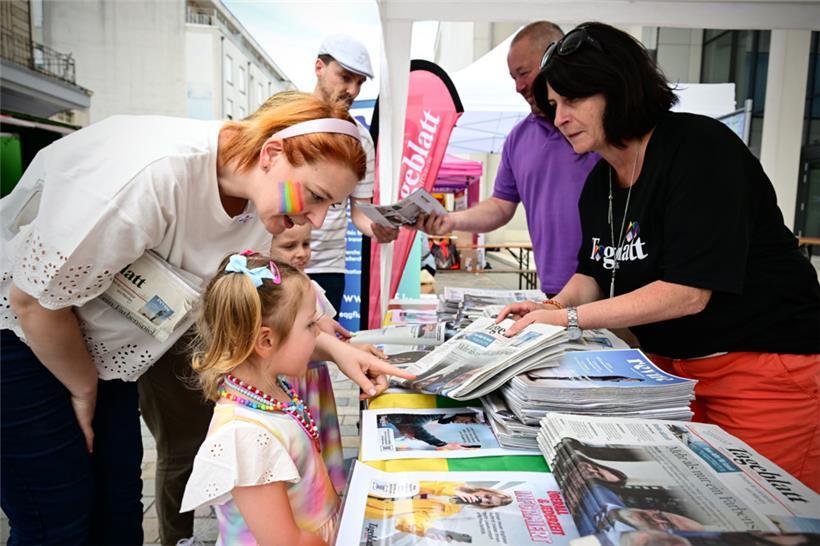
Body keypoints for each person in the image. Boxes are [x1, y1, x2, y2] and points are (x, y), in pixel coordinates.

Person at [0, 91, 411, 545]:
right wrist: (83, 388)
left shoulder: (259, 204)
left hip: (98, 356)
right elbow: (32, 300)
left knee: (118, 511)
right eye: (315, 196)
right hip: (25, 339)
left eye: (329, 206)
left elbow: (257, 312)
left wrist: (338, 350)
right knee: (56, 521)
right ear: (272, 153)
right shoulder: (151, 177)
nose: (313, 220)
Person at [500, 22, 820, 491]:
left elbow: (688, 293)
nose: (561, 117)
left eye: (573, 100)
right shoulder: (601, 182)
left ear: (617, 90)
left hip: (762, 369)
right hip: (671, 374)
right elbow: (593, 273)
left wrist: (568, 319)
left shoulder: (698, 148)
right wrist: (549, 307)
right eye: (555, 104)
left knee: (769, 509)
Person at [415, 21, 600, 295]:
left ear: (554, 60)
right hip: (553, 288)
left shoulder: (599, 126)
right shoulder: (518, 138)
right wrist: (451, 220)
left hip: (609, 287)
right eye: (513, 78)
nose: (518, 87)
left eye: (523, 73)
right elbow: (501, 206)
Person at [180, 253, 339, 545]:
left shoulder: (272, 390)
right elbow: (285, 542)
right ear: (266, 341)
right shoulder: (246, 437)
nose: (318, 332)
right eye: (309, 325)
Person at [270, 221, 386, 492]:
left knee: (317, 444)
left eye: (306, 244)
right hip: (288, 387)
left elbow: (329, 338)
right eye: (289, 246)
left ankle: (325, 493)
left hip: (314, 387)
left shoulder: (311, 288)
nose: (301, 253)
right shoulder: (267, 297)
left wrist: (351, 348)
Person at [308, 34, 400, 311]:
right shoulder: (285, 121)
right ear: (319, 67)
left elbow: (360, 210)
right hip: (276, 260)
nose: (352, 90)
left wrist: (377, 228)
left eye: (359, 82)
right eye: (345, 77)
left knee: (323, 337)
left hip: (329, 267)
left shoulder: (360, 138)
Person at [364, 482, 513, 541]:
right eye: (487, 497)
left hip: (376, 506)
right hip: (380, 485)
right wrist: (451, 491)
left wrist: (427, 530)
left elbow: (410, 519)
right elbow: (419, 482)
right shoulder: (455, 484)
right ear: (484, 490)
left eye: (488, 503)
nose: (483, 500)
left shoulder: (451, 509)